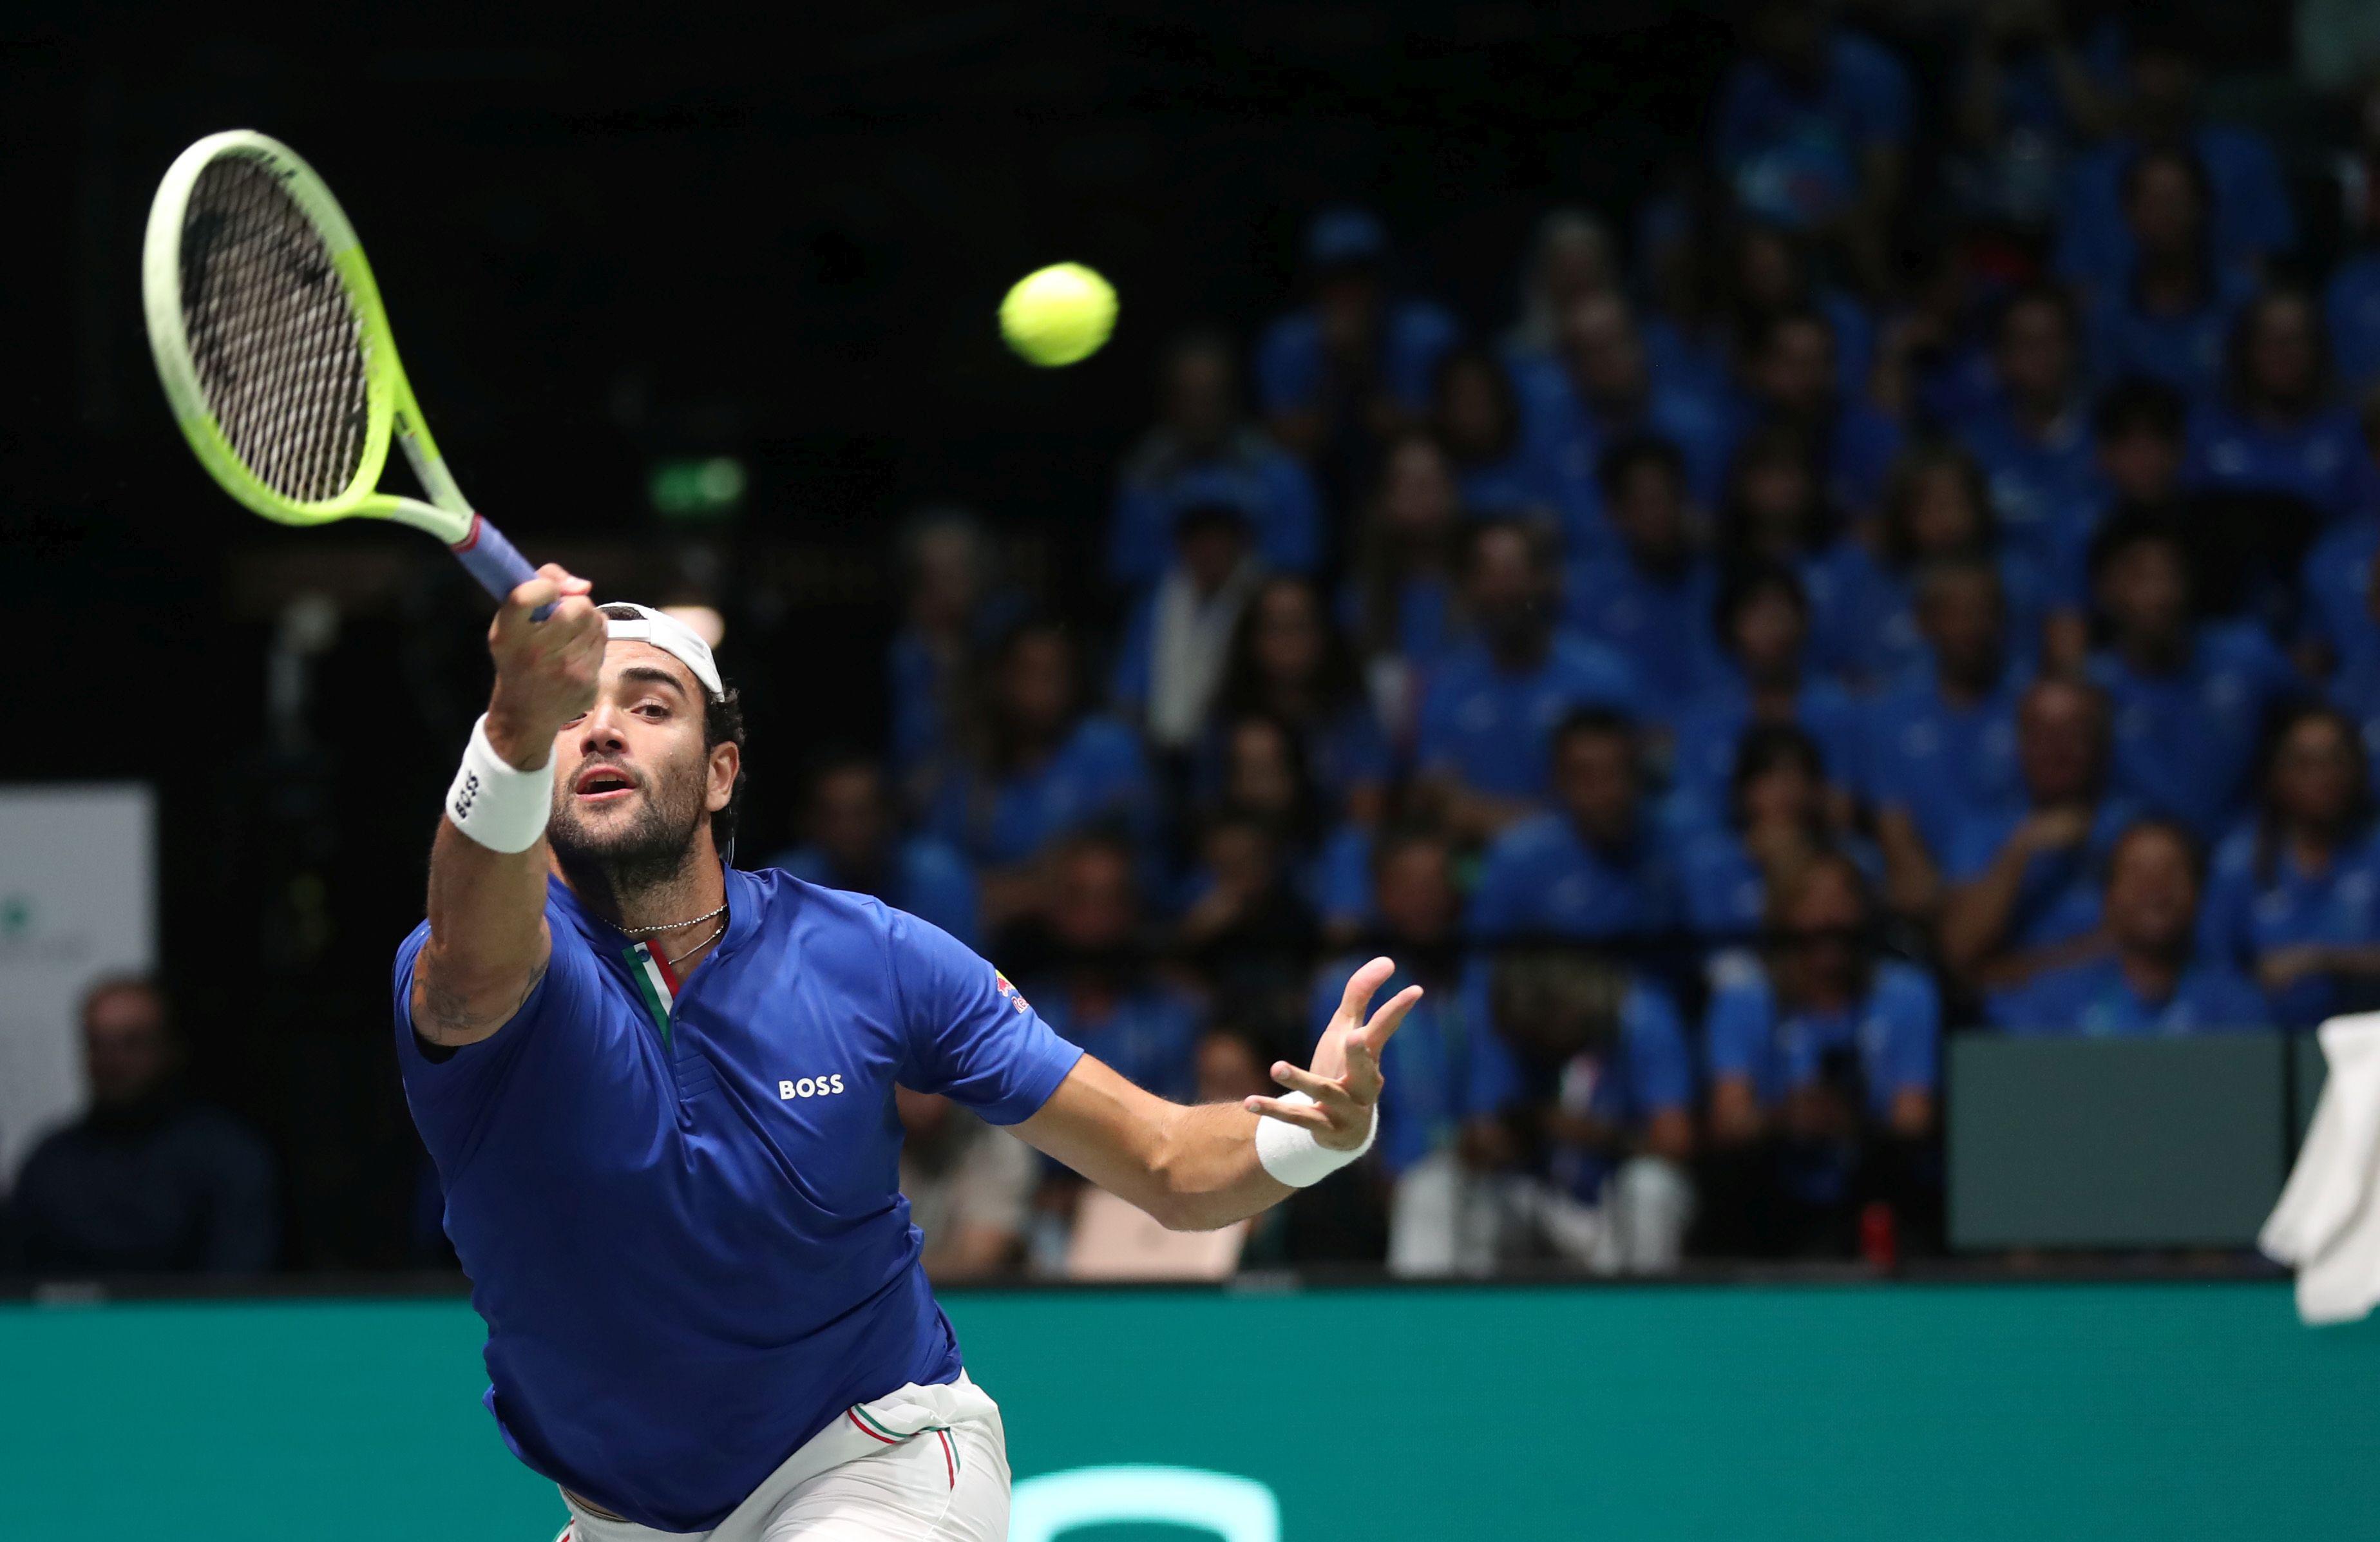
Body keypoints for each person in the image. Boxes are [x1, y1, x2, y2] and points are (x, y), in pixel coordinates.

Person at [395, 579, 1422, 1537]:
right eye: (574, 711)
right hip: (624, 1515)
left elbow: (1165, 1162)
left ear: (720, 773)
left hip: (866, 1451)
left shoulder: (869, 956)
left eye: (651, 705)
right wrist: (513, 727)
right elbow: (475, 965)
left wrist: (1319, 1132)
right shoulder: (481, 967)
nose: (603, 726)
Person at [1700, 852, 1941, 1257]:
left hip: (1874, 1181)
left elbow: (1914, 1119)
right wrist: (1786, 1117)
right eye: (1811, 902)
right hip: (1772, 1190)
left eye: (1842, 901)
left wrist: (1851, 1120)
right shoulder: (1743, 998)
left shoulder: (1906, 994)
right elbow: (1730, 1120)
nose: (1829, 919)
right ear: (1782, 917)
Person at [1435, 951, 1697, 1273]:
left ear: (1567, 1005)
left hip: (1612, 1204)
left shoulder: (1641, 1017)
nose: (1535, 1038)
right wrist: (1499, 1140)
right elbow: (1478, 1136)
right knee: (1448, 1185)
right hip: (1544, 1202)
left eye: (1543, 1023)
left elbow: (1674, 1141)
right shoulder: (1517, 1040)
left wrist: (1576, 1130)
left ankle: (1644, 1315)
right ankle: (1458, 1318)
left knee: (1649, 1185)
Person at [8, 976, 277, 1276]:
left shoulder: (226, 1155)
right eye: (99, 1044)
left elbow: (241, 1285)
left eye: (132, 1043)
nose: (113, 1061)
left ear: (171, 1048)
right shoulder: (50, 1162)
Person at [1304, 827, 1474, 1273]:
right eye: (1409, 886)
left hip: (1485, 1179)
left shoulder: (1478, 985)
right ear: (1381, 894)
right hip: (1380, 1176)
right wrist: (1371, 1167)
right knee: (1428, 1195)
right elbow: (1330, 1100)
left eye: (1435, 884)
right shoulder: (1347, 990)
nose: (1425, 899)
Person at [1414, 520, 1641, 839]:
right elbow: (1444, 804)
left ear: (1544, 581)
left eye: (1513, 571)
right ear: (1470, 588)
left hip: (1597, 850)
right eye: (1489, 574)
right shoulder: (1447, 688)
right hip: (1481, 861)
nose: (1503, 588)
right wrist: (1552, 828)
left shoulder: (1603, 676)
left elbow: (1628, 789)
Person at [2084, 520, 2300, 838]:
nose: (2161, 594)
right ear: (2106, 590)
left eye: (2172, 576)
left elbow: (2314, 728)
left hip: (2248, 850)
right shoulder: (2090, 688)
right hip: (2142, 858)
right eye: (2141, 578)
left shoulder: (2248, 653)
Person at [921, 618, 1155, 911]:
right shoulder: (971, 768)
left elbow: (1139, 860)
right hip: (1005, 936)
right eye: (1029, 673)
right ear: (1000, 680)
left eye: (1055, 674)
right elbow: (944, 876)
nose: (1043, 688)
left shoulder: (1108, 748)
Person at [2052, 19, 2295, 300]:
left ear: (2194, 72)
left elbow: (2260, 274)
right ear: (2127, 72)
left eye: (2171, 63)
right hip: (2119, 335)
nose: (2160, 80)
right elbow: (2079, 287)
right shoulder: (2090, 174)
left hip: (2223, 332)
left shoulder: (2246, 158)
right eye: (2149, 64)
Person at [1937, 677, 2140, 993]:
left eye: (2073, 732)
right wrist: (2021, 850)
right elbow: (1959, 952)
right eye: (2040, 734)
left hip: (2114, 1017)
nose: (2056, 748)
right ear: (2019, 743)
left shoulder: (2135, 830)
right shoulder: (1983, 831)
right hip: (2010, 1026)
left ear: (2100, 743)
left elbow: (2139, 944)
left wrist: (2016, 970)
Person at [1255, 207, 1460, 503]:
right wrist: (1338, 364)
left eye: (1360, 274)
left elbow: (1452, 428)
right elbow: (1289, 438)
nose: (1349, 290)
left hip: (1404, 476)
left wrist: (1364, 367)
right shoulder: (1287, 342)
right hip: (1322, 480)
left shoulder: (1427, 332)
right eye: (1336, 277)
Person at [1986, 818, 2268, 1033]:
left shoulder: (2238, 1010)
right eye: (2137, 872)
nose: (2155, 888)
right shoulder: (2053, 1005)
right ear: (2108, 897)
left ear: (2198, 893)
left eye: (2172, 871)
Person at [1862, 558, 2030, 916]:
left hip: (2020, 886)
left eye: (1983, 612)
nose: (1971, 627)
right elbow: (1894, 824)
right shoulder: (1892, 713)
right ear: (1926, 623)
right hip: (1928, 896)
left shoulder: (2031, 705)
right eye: (1955, 613)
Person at [1710, 0, 1913, 294]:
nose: (1784, 31)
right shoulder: (1750, 81)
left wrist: (1823, 224)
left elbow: (1884, 185)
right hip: (1766, 214)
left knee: (1867, 237)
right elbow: (1728, 172)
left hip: (1840, 210)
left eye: (1794, 17)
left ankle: (1879, 318)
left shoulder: (1873, 71)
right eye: (1773, 21)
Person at [2199, 705, 2380, 1027]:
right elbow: (2214, 969)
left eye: (2335, 760)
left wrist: (2322, 962)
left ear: (2358, 769)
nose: (2322, 776)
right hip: (2266, 1047)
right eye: (2305, 763)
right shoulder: (2240, 863)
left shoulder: (2374, 849)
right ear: (2277, 774)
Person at [1515, 291, 1731, 558]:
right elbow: (1539, 525)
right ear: (1569, 366)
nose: (1605, 362)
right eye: (1588, 353)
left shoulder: (1697, 428)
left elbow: (1716, 521)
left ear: (1640, 345)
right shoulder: (1548, 438)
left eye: (1613, 345)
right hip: (1589, 585)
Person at [1109, 331, 1323, 589]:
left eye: (1211, 396)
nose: (1201, 411)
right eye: (1189, 396)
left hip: (1255, 609)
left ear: (1232, 397)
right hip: (1176, 614)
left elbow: (1295, 567)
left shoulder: (1281, 472)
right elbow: (1132, 574)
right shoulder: (1143, 475)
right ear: (1168, 401)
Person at [1668, 558, 1862, 830]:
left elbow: (1842, 812)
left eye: (1781, 610)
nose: (1771, 624)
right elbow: (1694, 821)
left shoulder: (1839, 710)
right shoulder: (1702, 722)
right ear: (1730, 627)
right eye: (1756, 612)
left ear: (1802, 619)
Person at [1469, 709, 1685, 949]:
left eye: (1615, 773)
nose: (1605, 793)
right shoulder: (1515, 860)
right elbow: (1481, 968)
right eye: (1586, 778)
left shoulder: (1676, 846)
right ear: (1559, 782)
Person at [1837, 442, 2047, 687]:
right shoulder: (1868, 581)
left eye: (1957, 504)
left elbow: (2026, 673)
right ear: (1902, 513)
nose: (1947, 521)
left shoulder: (2015, 580)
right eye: (1930, 506)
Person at [1020, 833, 1203, 1105]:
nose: (1095, 917)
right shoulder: (1019, 1014)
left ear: (1132, 909)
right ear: (1055, 907)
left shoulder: (1176, 1015)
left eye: (1110, 899)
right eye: (1079, 898)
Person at [2185, 287, 2377, 529]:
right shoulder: (2207, 427)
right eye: (2271, 341)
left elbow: (2367, 527)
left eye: (2296, 340)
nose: (2284, 354)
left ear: (2318, 349)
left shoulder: (2350, 431)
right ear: (2246, 349)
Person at [1211, 576, 1391, 826]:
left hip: (1329, 847)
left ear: (1324, 633)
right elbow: (1211, 814)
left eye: (1300, 626)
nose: (1288, 642)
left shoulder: (1354, 715)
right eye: (1275, 628)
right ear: (1252, 639)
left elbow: (1367, 814)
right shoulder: (1227, 717)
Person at [1563, 435, 1726, 708]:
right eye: (1642, 503)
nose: (1656, 514)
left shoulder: (1722, 578)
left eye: (1665, 498)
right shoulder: (1586, 594)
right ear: (1614, 513)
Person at [2084, 146, 2254, 403]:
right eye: (2154, 202)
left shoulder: (2244, 304)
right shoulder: (2105, 309)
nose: (2167, 215)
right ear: (2129, 213)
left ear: (2202, 207)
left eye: (2177, 200)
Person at [1952, 285, 2099, 579]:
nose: (2039, 354)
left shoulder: (2107, 436)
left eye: (2051, 340)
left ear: (2073, 349)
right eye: (2024, 342)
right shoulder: (1972, 448)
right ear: (2001, 357)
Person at [1681, 723, 1876, 942]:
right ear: (1744, 790)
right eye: (1769, 776)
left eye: (1797, 775)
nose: (1784, 790)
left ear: (1817, 789)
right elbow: (1722, 962)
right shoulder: (1710, 865)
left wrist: (1794, 860)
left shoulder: (1853, 860)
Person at [769, 754, 980, 948]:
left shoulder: (940, 878)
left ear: (889, 815)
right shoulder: (786, 884)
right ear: (809, 823)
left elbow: (968, 981)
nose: (848, 829)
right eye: (834, 816)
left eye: (861, 813)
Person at [1109, 500, 1266, 755]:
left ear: (1239, 543)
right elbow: (1128, 692)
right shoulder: (1154, 605)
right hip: (1158, 746)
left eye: (1219, 539)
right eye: (1200, 540)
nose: (1210, 550)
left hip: (1231, 740)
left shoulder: (1257, 599)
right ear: (1183, 546)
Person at [1729, 306, 1904, 522]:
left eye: (1817, 361)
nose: (1805, 375)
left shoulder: (1871, 437)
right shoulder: (1735, 433)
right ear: (1762, 367)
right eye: (1791, 362)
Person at [895, 1087, 1033, 1283]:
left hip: (973, 1303)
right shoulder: (857, 1138)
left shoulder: (997, 1134)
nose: (923, 1095)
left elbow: (975, 1260)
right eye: (906, 1083)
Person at [1432, 343, 1554, 519]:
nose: (1473, 406)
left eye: (1479, 394)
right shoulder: (1435, 465)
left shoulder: (1543, 454)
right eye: (1462, 397)